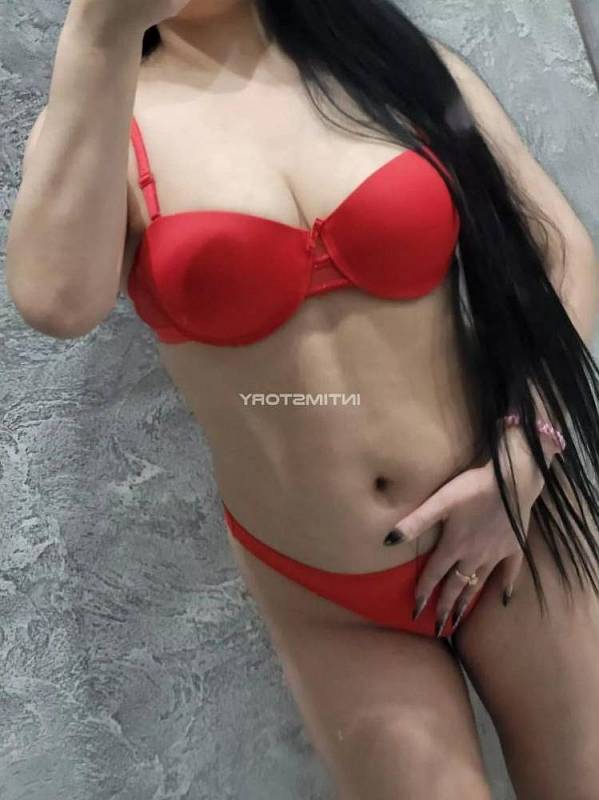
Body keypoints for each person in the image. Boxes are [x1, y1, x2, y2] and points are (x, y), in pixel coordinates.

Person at [6, 1, 599, 797]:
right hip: (333, 600)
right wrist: (99, 30)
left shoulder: (392, 64)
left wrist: (526, 452)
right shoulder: (104, 121)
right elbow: (56, 302)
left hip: (511, 520)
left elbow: (560, 250)